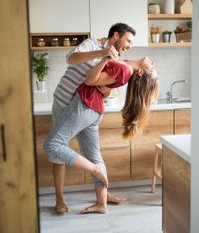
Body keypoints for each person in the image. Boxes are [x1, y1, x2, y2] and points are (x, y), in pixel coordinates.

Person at [44, 56, 158, 214]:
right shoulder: (125, 64)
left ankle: (94, 169)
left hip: (85, 105)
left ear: (140, 72)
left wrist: (104, 59)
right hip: (95, 109)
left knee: (52, 144)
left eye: (151, 68)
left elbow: (90, 80)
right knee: (94, 155)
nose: (152, 63)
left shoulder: (125, 69)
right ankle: (101, 204)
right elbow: (103, 81)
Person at [48, 23, 136, 214]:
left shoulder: (115, 57)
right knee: (58, 152)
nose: (129, 45)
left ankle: (103, 197)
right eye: (128, 40)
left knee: (91, 153)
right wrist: (101, 53)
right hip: (64, 101)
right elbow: (71, 59)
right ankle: (59, 198)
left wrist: (105, 93)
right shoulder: (91, 43)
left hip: (84, 107)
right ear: (115, 35)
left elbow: (102, 86)